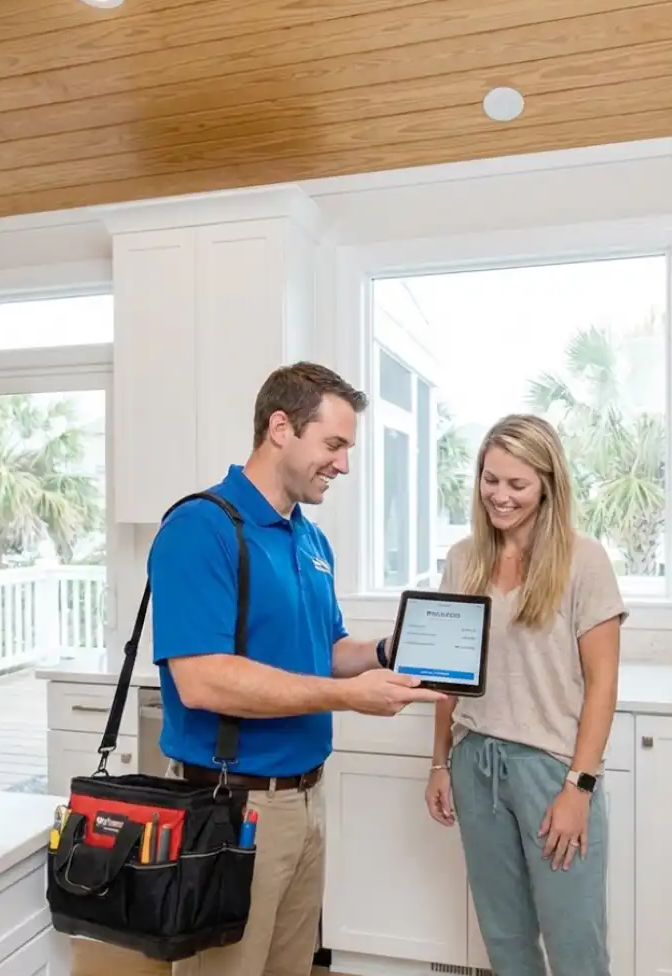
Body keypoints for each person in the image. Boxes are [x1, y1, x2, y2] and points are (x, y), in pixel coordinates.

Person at [148, 361, 444, 976]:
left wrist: (389, 653)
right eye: (333, 445)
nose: (343, 464)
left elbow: (326, 651)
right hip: (231, 807)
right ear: (280, 427)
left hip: (306, 803)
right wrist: (348, 699)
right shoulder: (201, 528)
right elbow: (201, 681)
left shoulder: (309, 540)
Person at [424, 413, 627, 976]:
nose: (500, 496)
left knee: (575, 943)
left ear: (547, 485)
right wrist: (440, 762)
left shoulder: (584, 561)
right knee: (505, 940)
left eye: (517, 484)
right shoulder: (464, 558)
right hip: (475, 762)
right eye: (491, 479)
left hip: (551, 770)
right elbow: (448, 677)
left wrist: (578, 788)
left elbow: (603, 684)